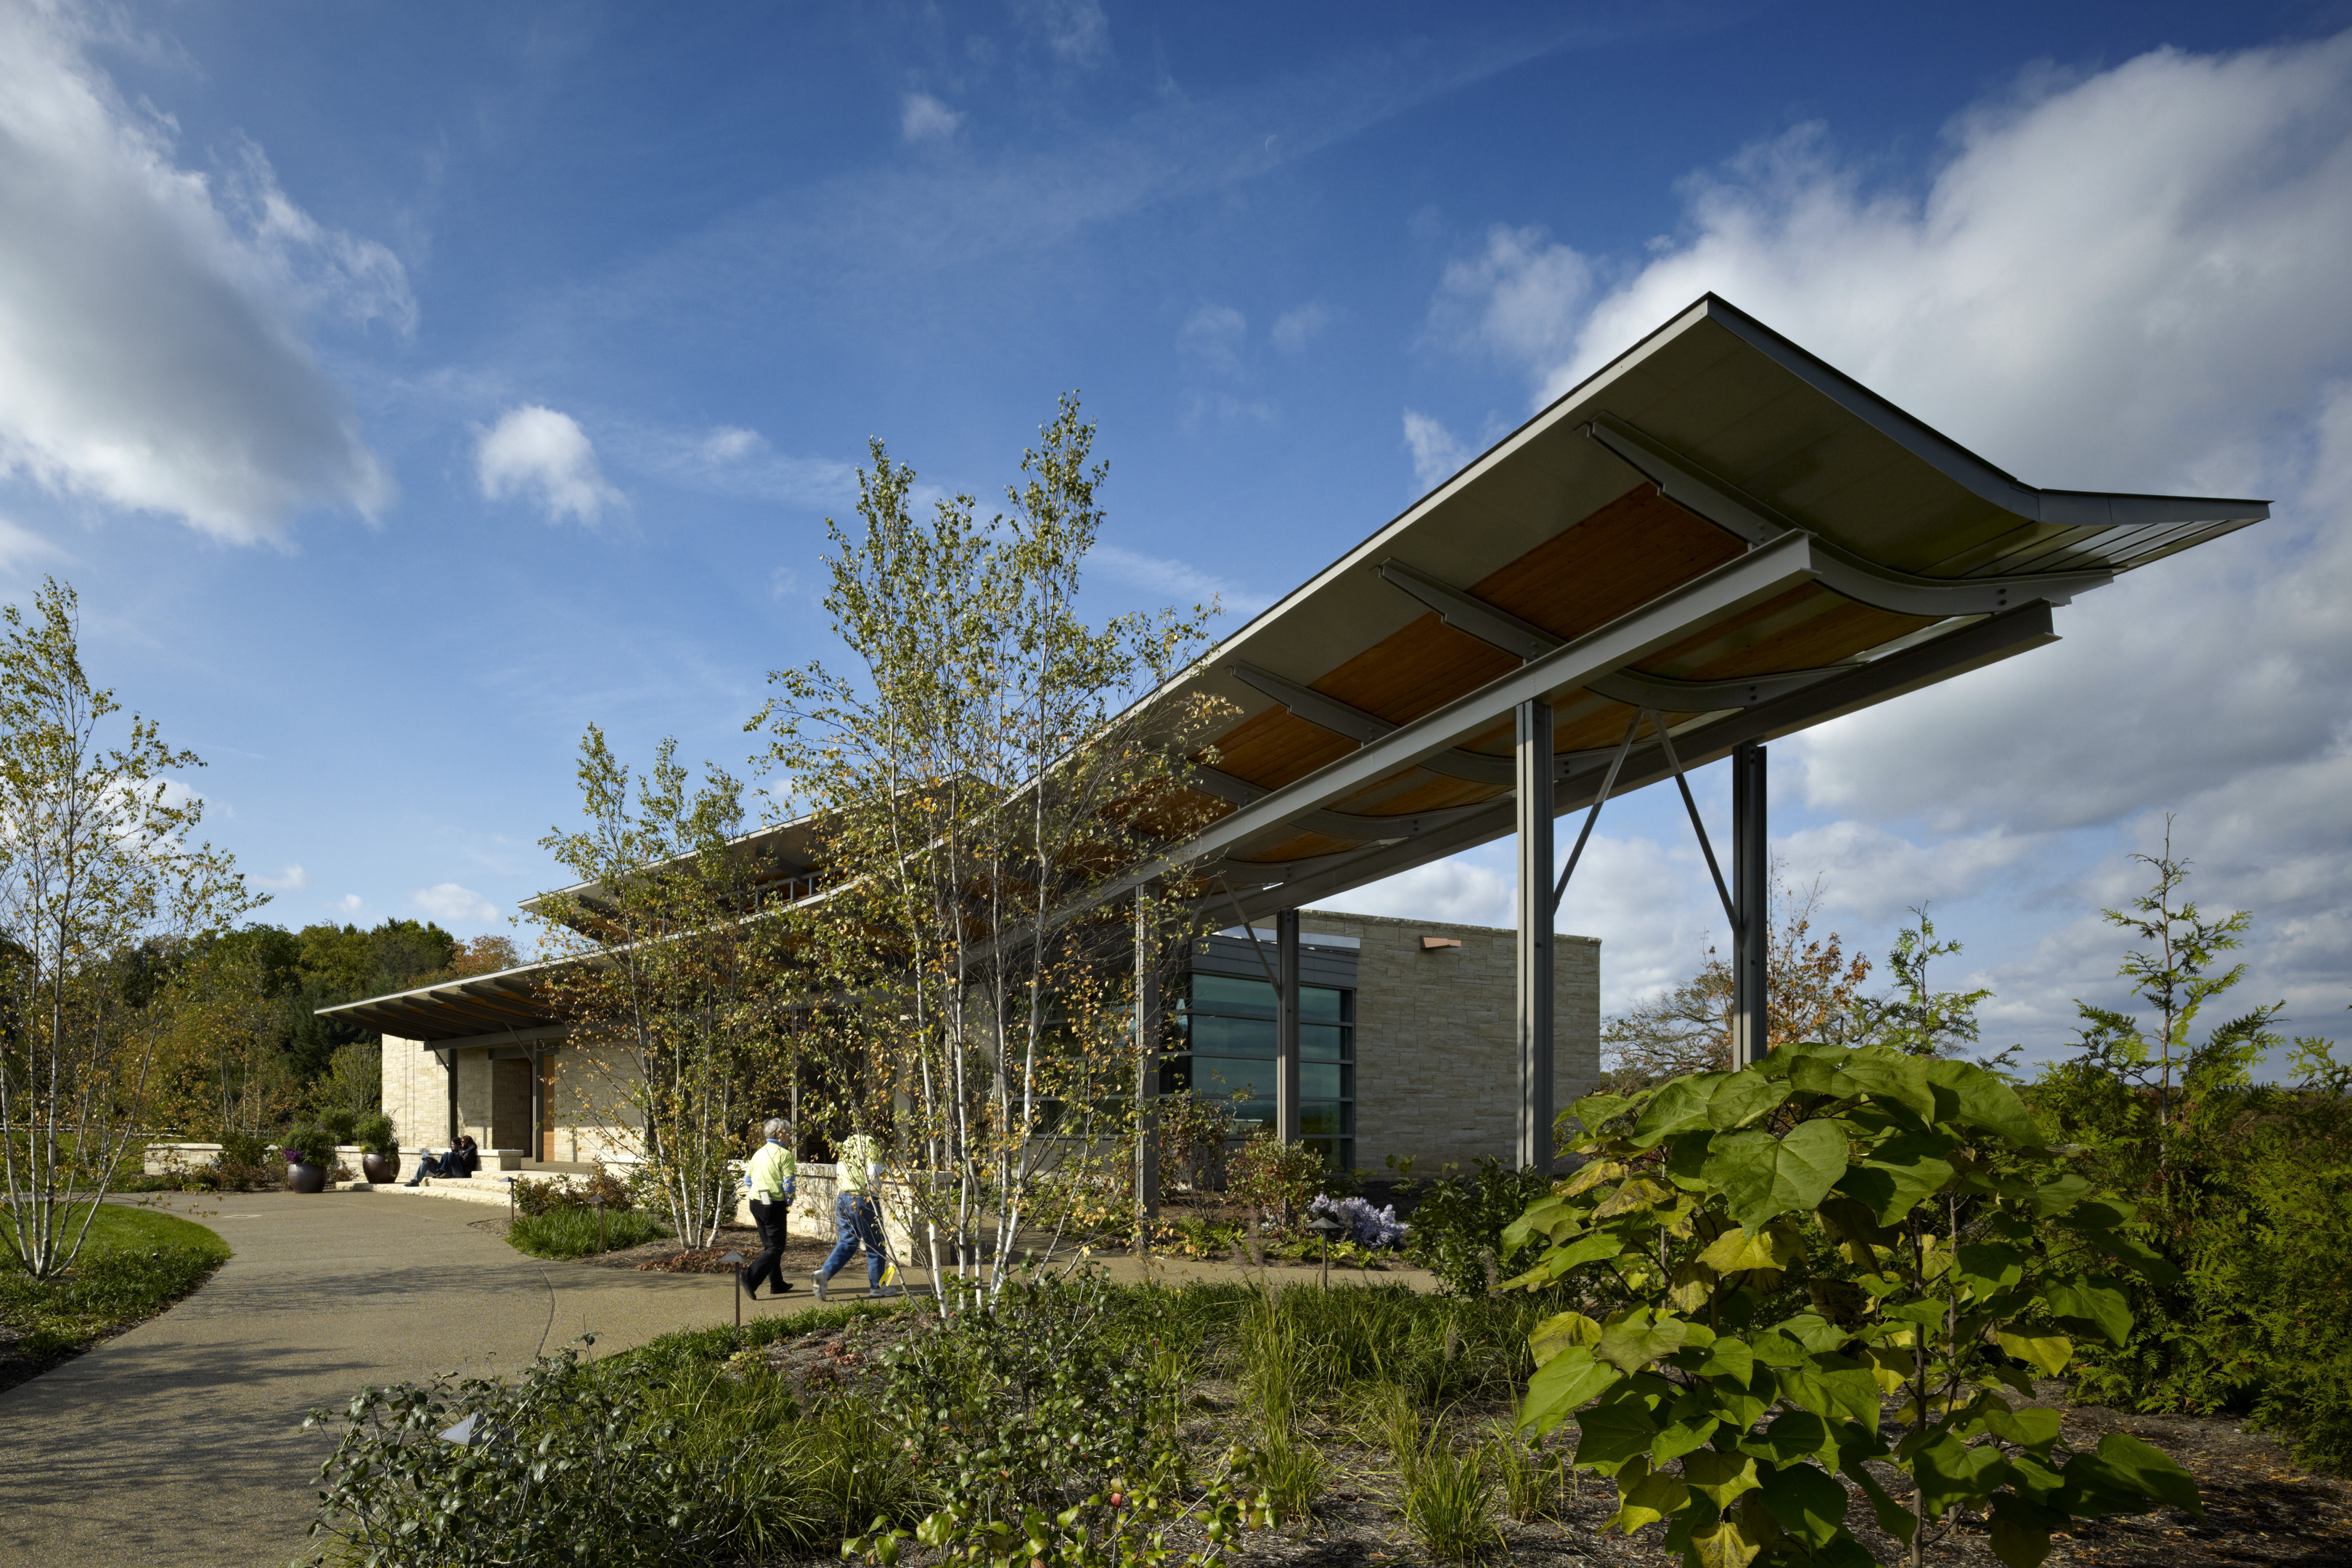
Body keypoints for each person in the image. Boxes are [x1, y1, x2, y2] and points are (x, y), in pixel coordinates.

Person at [812, 1129, 886, 1300]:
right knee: (876, 1244)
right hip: (862, 1198)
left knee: (848, 1242)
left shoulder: (847, 1143)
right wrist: (875, 1196)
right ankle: (877, 1287)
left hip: (843, 1197)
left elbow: (840, 1172)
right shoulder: (871, 1144)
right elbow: (873, 1174)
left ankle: (824, 1274)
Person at [738, 1117, 798, 1300]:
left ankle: (777, 1284)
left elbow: (748, 1180)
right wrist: (788, 1203)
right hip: (773, 1204)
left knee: (769, 1246)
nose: (790, 1137)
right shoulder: (785, 1155)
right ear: (779, 1134)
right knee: (776, 1247)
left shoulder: (758, 1153)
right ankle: (749, 1277)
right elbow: (789, 1185)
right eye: (789, 1134)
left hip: (755, 1203)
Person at [404, 1134, 479, 1184]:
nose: (461, 1143)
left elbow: (463, 1163)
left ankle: (441, 1171)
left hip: (461, 1173)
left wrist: (455, 1154)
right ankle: (416, 1180)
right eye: (461, 1142)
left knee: (450, 1154)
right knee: (427, 1161)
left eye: (463, 1142)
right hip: (451, 1171)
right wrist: (456, 1152)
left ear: (467, 1142)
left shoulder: (470, 1151)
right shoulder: (460, 1150)